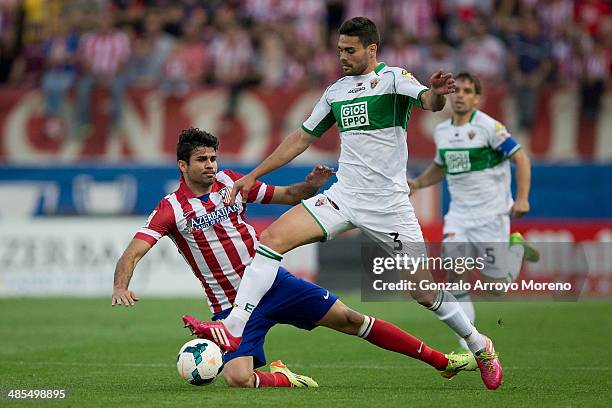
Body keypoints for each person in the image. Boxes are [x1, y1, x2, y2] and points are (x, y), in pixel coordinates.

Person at [193, 17, 503, 390]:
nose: (342, 56)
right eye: (339, 49)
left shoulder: (393, 79)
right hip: (343, 196)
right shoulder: (336, 92)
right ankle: (233, 327)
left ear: (371, 49)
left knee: (422, 292)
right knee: (272, 239)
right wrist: (252, 175)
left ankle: (479, 344)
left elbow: (429, 101)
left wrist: (436, 93)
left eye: (350, 50)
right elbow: (300, 138)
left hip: (389, 205)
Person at [111, 128, 477, 389]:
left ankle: (443, 361)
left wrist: (311, 187)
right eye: (201, 160)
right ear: (182, 166)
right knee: (237, 379)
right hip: (229, 305)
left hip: (273, 283)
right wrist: (120, 285)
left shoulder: (230, 183)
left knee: (352, 320)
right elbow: (134, 251)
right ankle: (283, 378)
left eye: (213, 158)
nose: (210, 165)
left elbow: (288, 195)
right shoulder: (170, 210)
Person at [407, 72, 539, 348]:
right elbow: (441, 167)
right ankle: (470, 344)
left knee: (495, 288)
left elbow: (522, 159)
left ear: (477, 99)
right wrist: (418, 183)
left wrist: (522, 198)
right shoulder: (442, 131)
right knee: (455, 274)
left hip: (492, 216)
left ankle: (515, 247)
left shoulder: (490, 128)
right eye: (457, 90)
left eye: (468, 91)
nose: (461, 95)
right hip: (459, 216)